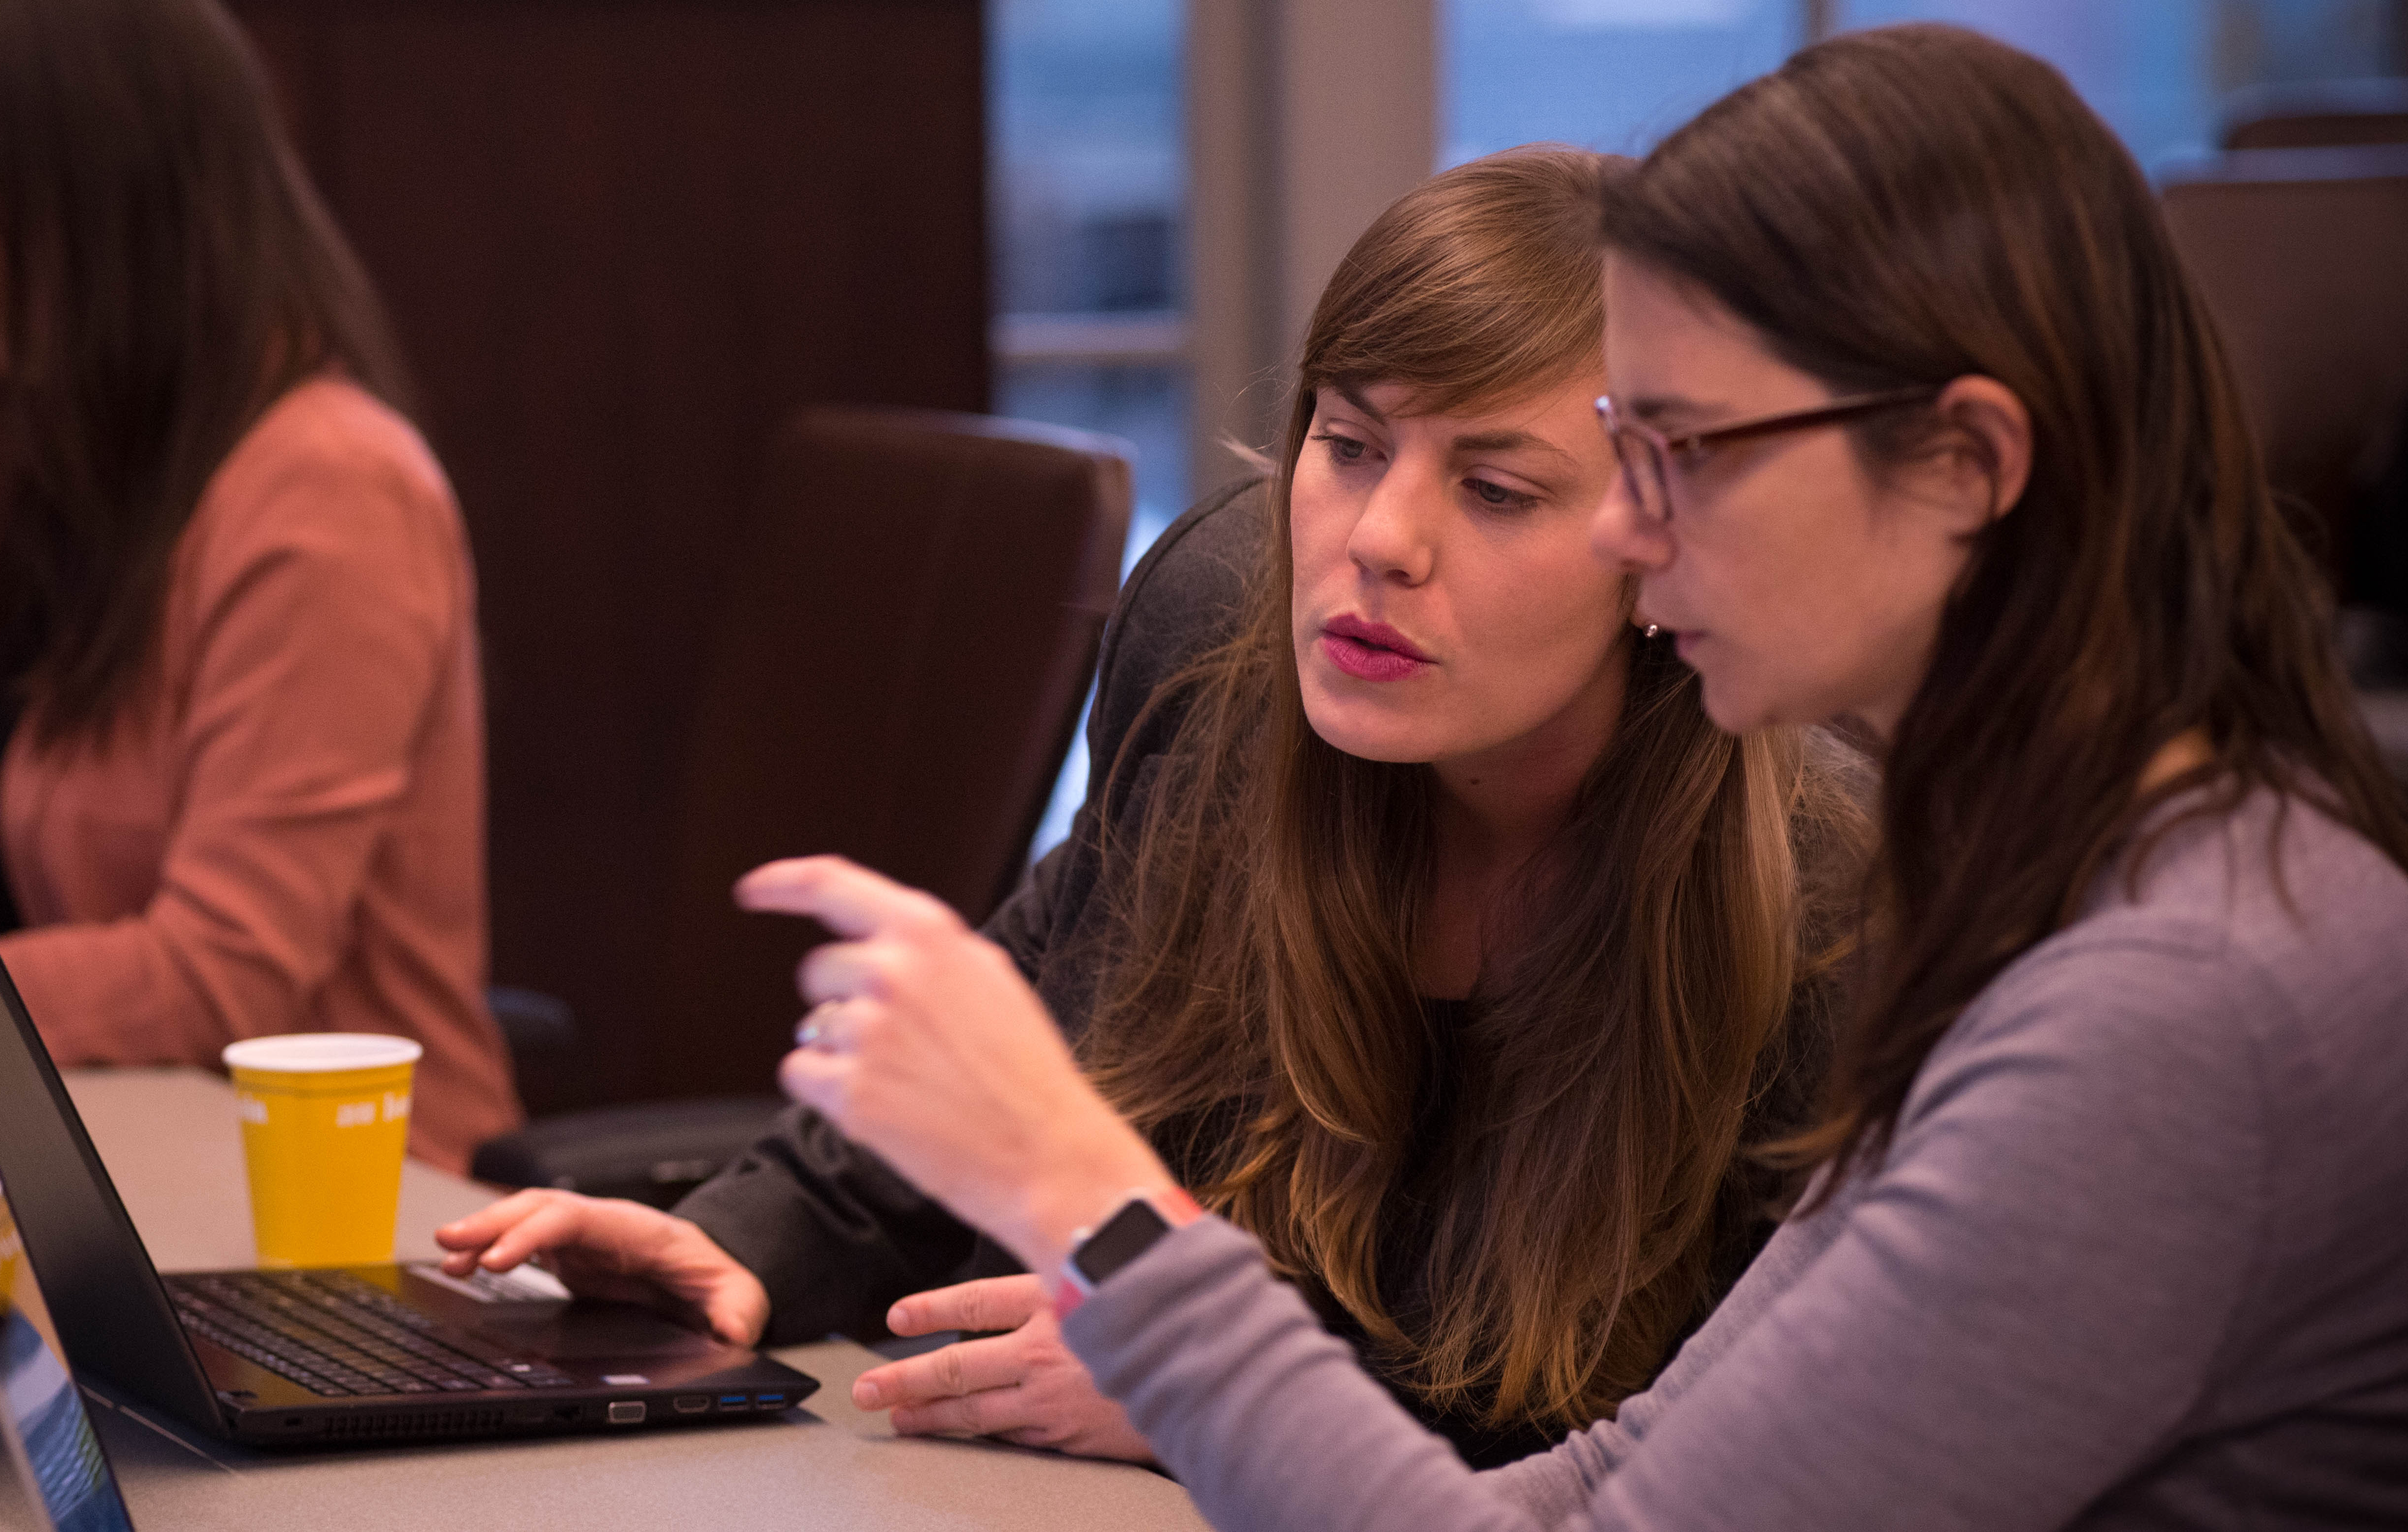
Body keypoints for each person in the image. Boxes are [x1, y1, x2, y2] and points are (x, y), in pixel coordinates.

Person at [734, 23, 2408, 1531]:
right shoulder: (2068, 889)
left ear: (1965, 466)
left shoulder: (2169, 1003)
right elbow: (1618, 1484)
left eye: (1685, 449)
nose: (1624, 522)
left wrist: (1085, 1199)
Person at [438, 148, 1870, 1466]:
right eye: (1350, 442)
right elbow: (1018, 1042)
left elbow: (1739, 1465)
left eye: (1495, 488)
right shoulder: (1218, 644)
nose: (1378, 541)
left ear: (1660, 548)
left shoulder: (1828, 900)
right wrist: (733, 1246)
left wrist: (1208, 1388)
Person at [0, 0, 520, 1172]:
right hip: (125, 1152)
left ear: (81, 202)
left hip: (345, 1214)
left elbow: (219, 976)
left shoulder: (332, 489)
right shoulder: (120, 476)